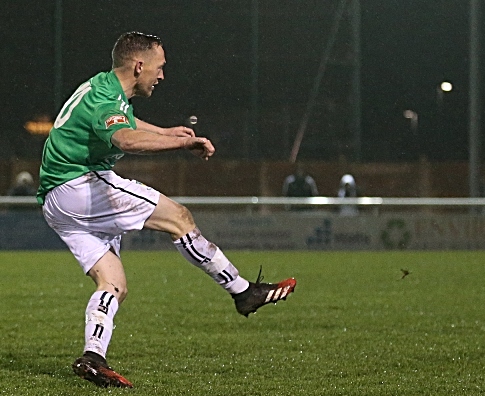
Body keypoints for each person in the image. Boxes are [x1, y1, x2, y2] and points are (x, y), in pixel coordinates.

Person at [37, 32, 296, 389]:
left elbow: (124, 121)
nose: (161, 76)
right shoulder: (104, 97)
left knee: (113, 284)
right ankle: (242, 292)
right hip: (79, 185)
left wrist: (168, 132)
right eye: (159, 68)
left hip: (57, 201)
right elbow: (125, 138)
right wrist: (181, 143)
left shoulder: (106, 87)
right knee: (179, 218)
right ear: (139, 65)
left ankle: (92, 357)